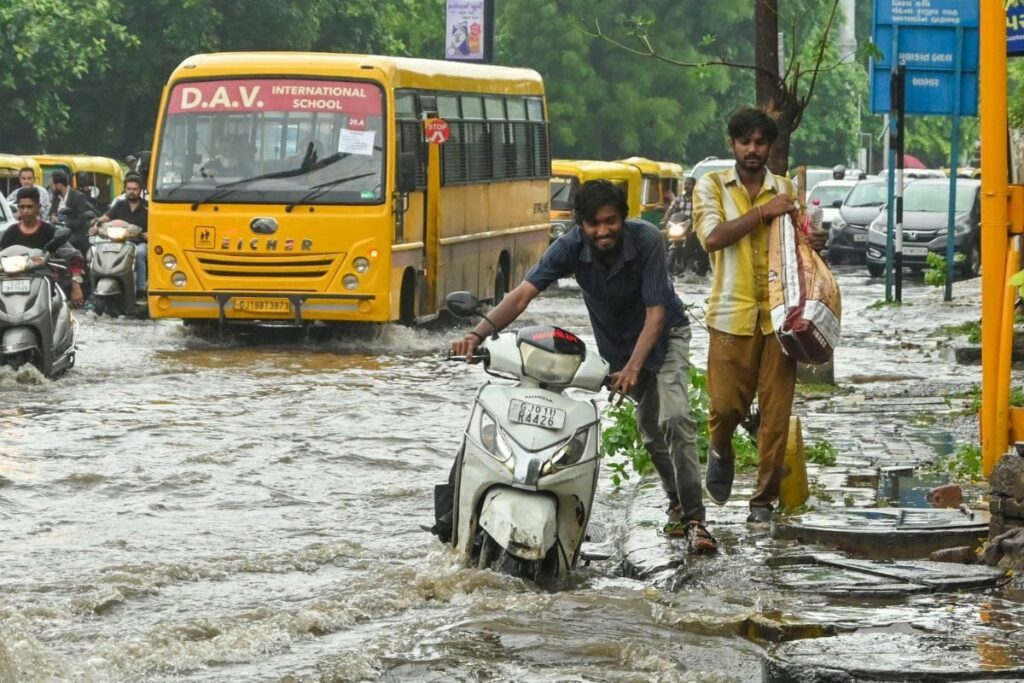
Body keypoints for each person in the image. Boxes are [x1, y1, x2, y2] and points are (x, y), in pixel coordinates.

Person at [443, 179, 717, 553]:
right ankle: (676, 502)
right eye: (593, 224)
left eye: (610, 221)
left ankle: (696, 520)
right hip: (618, 348)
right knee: (651, 431)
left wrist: (635, 367)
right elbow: (523, 294)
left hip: (666, 336)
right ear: (580, 224)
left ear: (623, 218)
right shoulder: (569, 247)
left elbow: (656, 313)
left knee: (675, 419)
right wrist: (476, 336)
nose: (603, 231)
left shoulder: (647, 240)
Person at [692, 107, 826, 525]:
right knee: (725, 406)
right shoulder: (711, 186)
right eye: (745, 141)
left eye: (760, 142)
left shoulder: (785, 188)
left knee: (775, 411)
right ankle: (721, 449)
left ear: (769, 146)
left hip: (782, 317)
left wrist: (815, 238)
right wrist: (763, 213)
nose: (753, 149)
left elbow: (800, 244)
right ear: (732, 144)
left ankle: (762, 501)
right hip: (730, 314)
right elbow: (713, 238)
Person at [2, 187, 85, 306]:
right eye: (22, 207)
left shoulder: (49, 231)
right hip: (10, 285)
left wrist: (76, 284)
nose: (25, 211)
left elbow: (74, 256)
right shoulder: (10, 232)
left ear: (38, 207)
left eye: (29, 207)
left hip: (43, 286)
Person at [94, 173, 148, 295]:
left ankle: (141, 289)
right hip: (119, 242)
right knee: (97, 250)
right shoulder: (119, 204)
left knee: (139, 253)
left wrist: (147, 234)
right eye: (129, 189)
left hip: (140, 242)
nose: (132, 192)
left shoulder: (147, 207)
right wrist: (96, 224)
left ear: (140, 190)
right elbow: (106, 217)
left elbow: (156, 226)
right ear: (125, 189)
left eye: (135, 189)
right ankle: (95, 289)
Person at [49, 169, 95, 256]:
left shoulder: (78, 197)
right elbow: (51, 213)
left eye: (52, 185)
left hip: (75, 233)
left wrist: (62, 222)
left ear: (59, 185)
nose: (50, 187)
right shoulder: (56, 197)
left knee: (64, 243)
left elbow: (81, 221)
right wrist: (52, 217)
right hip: (57, 232)